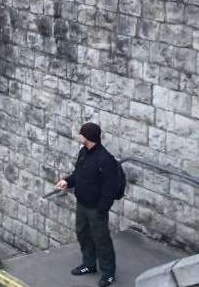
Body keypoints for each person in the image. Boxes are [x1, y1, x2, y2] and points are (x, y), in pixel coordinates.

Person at [54, 123, 120, 287]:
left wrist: (102, 208)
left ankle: (108, 273)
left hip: (96, 208)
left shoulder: (105, 159)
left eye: (81, 134)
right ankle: (89, 265)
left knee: (101, 240)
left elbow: (110, 188)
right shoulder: (84, 152)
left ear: (88, 137)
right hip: (82, 204)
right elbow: (78, 175)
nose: (79, 137)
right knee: (83, 234)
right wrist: (66, 182)